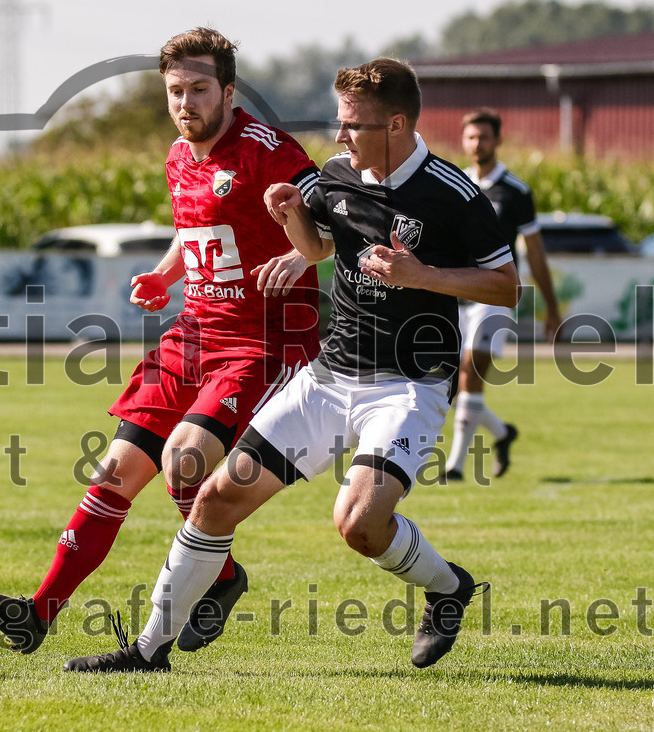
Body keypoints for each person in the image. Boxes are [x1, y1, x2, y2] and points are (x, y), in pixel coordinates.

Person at [65, 58, 519, 674]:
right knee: (216, 499)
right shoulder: (336, 175)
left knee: (358, 523)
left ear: (398, 123)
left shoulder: (452, 193)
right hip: (329, 377)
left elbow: (506, 286)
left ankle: (448, 588)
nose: (339, 137)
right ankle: (146, 652)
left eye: (353, 125)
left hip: (407, 387)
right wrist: (291, 220)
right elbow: (315, 244)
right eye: (339, 122)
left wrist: (424, 277)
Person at [0, 27, 322, 655]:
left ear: (229, 91)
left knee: (184, 460)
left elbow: (330, 218)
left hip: (264, 341)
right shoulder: (178, 157)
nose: (186, 102)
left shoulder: (270, 151)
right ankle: (38, 614)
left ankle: (221, 572)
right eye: (175, 91)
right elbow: (195, 234)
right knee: (113, 473)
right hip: (193, 335)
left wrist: (301, 254)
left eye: (199, 89)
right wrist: (164, 274)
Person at [444, 108, 561, 482]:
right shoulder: (455, 186)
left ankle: (456, 466)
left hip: (494, 297)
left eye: (484, 137)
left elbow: (536, 253)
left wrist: (552, 309)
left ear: (498, 141)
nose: (477, 144)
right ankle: (501, 432)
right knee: (446, 386)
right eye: (471, 137)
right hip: (455, 295)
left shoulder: (515, 192)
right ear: (464, 141)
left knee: (471, 374)